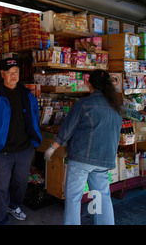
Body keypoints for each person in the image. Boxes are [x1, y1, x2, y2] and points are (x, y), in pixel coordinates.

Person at [44, 69, 122, 225]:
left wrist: (52, 148)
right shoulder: (116, 107)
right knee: (102, 196)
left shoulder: (84, 104)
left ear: (89, 85)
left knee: (73, 198)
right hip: (104, 160)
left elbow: (67, 129)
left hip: (81, 159)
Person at [0, 57, 43, 225]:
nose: (13, 76)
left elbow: (35, 117)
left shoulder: (28, 94)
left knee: (20, 184)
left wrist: (34, 140)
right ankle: (1, 218)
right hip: (1, 150)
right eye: (9, 73)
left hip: (24, 149)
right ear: (2, 74)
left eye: (16, 72)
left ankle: (13, 206)